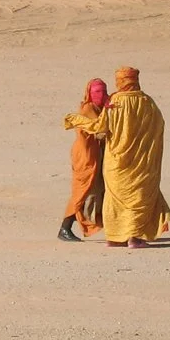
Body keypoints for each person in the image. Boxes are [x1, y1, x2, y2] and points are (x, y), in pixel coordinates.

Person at [63, 66, 170, 248]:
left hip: (115, 164)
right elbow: (159, 125)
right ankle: (134, 238)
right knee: (137, 198)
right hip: (140, 164)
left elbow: (100, 126)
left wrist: (75, 120)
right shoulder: (147, 102)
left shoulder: (115, 102)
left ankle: (114, 237)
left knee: (115, 199)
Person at [59, 78, 110, 242]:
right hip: (85, 156)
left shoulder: (101, 108)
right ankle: (65, 228)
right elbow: (98, 129)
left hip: (95, 154)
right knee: (82, 191)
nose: (100, 95)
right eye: (96, 92)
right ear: (89, 93)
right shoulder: (88, 109)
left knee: (97, 191)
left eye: (103, 91)